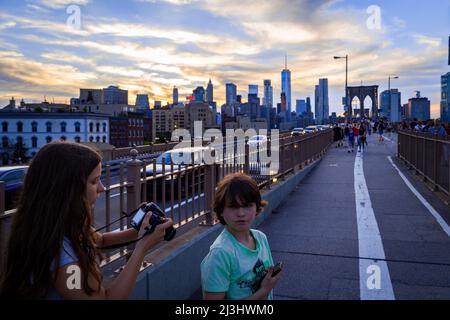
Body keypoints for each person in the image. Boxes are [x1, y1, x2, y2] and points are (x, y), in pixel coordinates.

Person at [0, 142, 173, 299]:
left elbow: (101, 240)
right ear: (67, 189)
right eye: (94, 181)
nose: (102, 188)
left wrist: (139, 231)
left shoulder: (52, 226)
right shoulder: (61, 258)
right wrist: (142, 247)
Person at [201, 173, 282, 300]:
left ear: (257, 207)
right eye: (233, 207)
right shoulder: (220, 254)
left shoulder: (260, 238)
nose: (241, 213)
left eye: (247, 205)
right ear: (221, 210)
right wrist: (264, 290)